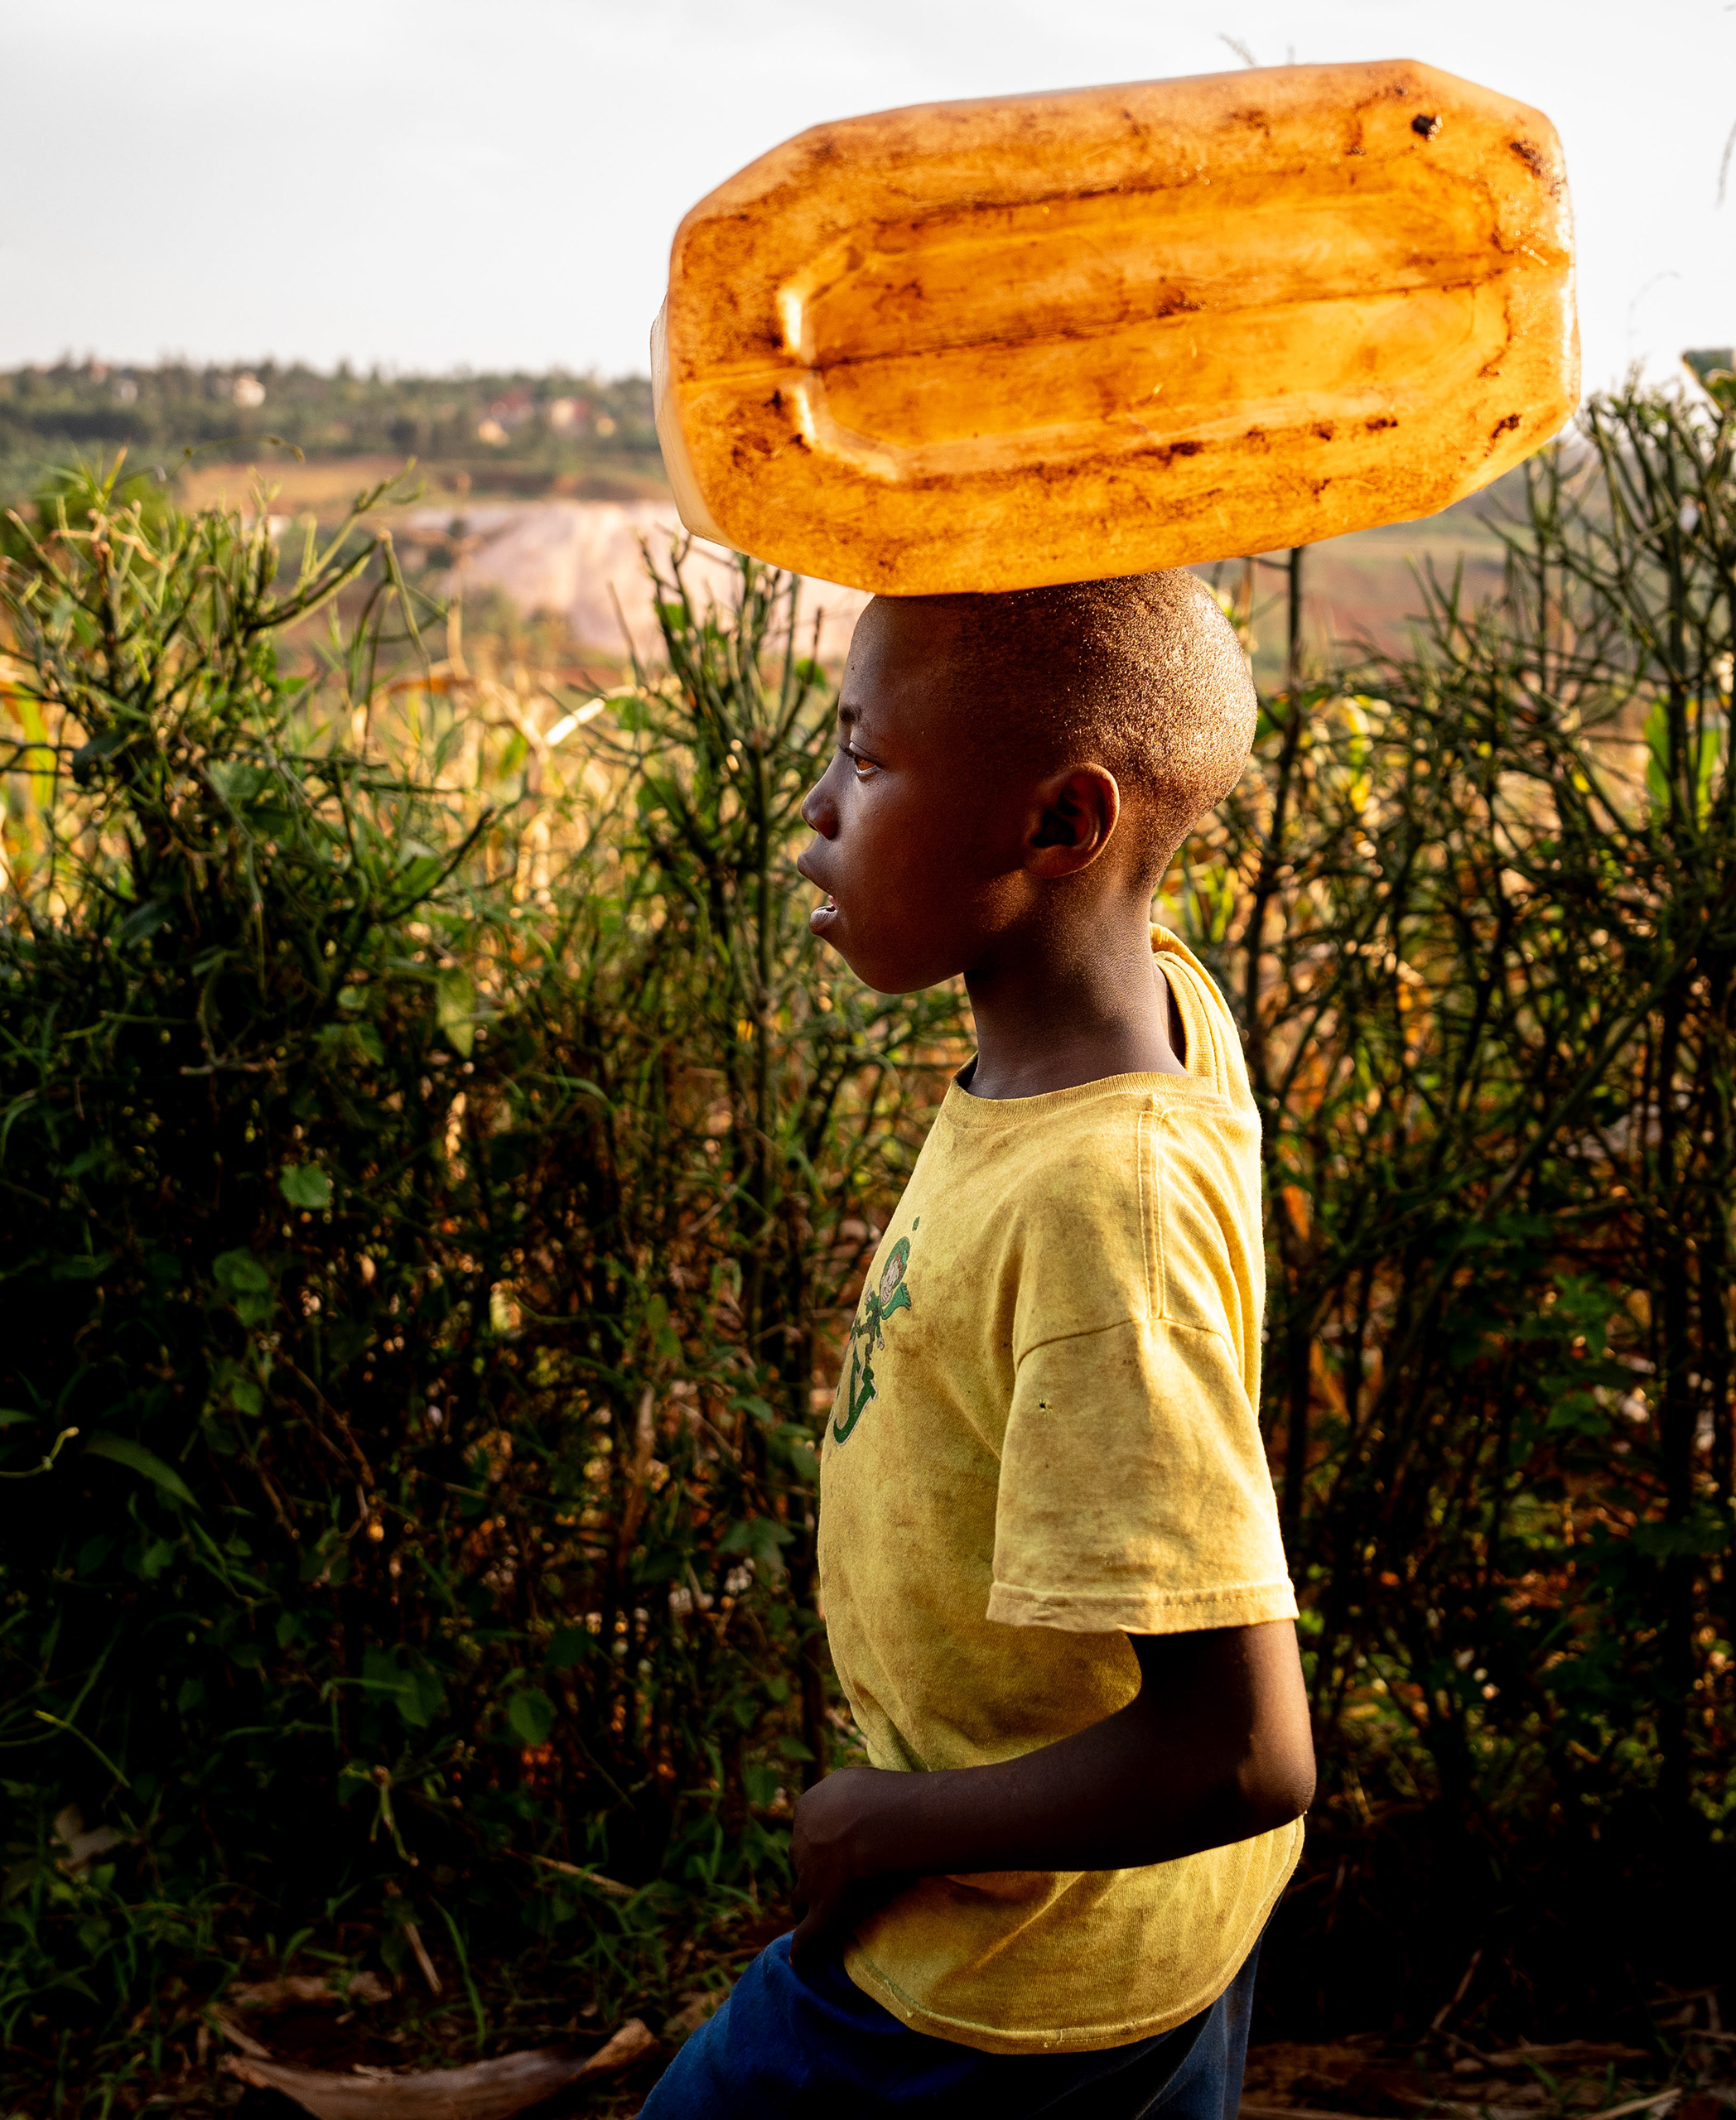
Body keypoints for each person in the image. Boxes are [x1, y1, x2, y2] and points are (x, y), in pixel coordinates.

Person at [641, 573, 1313, 2119]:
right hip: (1134, 1948)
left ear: (1063, 830)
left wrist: (885, 1826)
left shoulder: (1101, 1203)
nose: (814, 812)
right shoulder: (1148, 1017)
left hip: (999, 1977)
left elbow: (1245, 1750)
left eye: (865, 766)